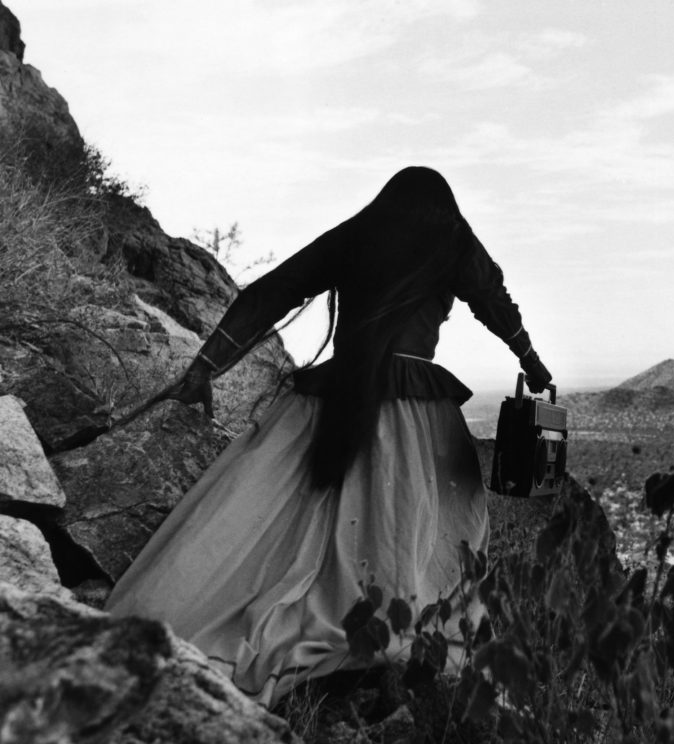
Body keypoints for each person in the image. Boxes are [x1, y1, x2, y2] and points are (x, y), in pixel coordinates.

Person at [106, 166, 552, 707]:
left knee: (278, 516)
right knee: (429, 525)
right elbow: (494, 302)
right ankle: (390, 629)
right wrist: (532, 363)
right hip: (415, 411)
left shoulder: (357, 233)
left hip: (331, 399)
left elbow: (273, 292)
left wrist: (206, 366)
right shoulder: (452, 238)